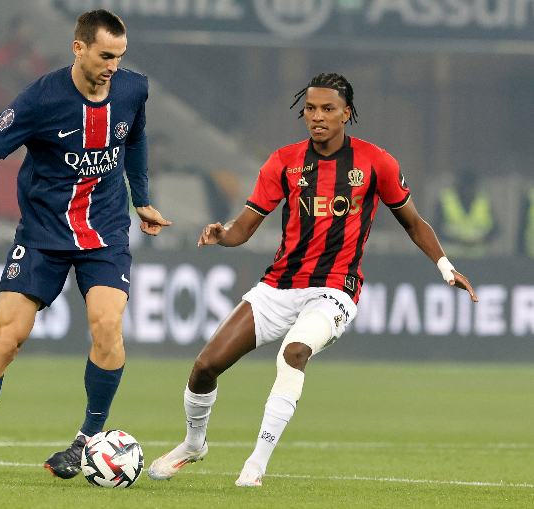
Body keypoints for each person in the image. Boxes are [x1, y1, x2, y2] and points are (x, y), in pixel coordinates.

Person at [147, 73, 477, 487]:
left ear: (346, 114)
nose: (317, 117)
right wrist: (223, 234)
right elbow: (246, 226)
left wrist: (446, 267)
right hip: (279, 286)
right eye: (310, 109)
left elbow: (412, 222)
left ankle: (255, 466)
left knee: (294, 352)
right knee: (204, 367)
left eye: (327, 109)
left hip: (335, 289)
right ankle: (194, 444)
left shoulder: (376, 162)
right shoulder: (283, 161)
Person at [0, 9, 171, 485]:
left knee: (108, 325)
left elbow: (135, 138)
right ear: (79, 48)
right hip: (43, 235)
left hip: (106, 231)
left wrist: (144, 200)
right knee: (7, 339)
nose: (114, 66)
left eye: (120, 56)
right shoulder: (39, 100)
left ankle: (85, 442)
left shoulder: (134, 89)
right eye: (105, 55)